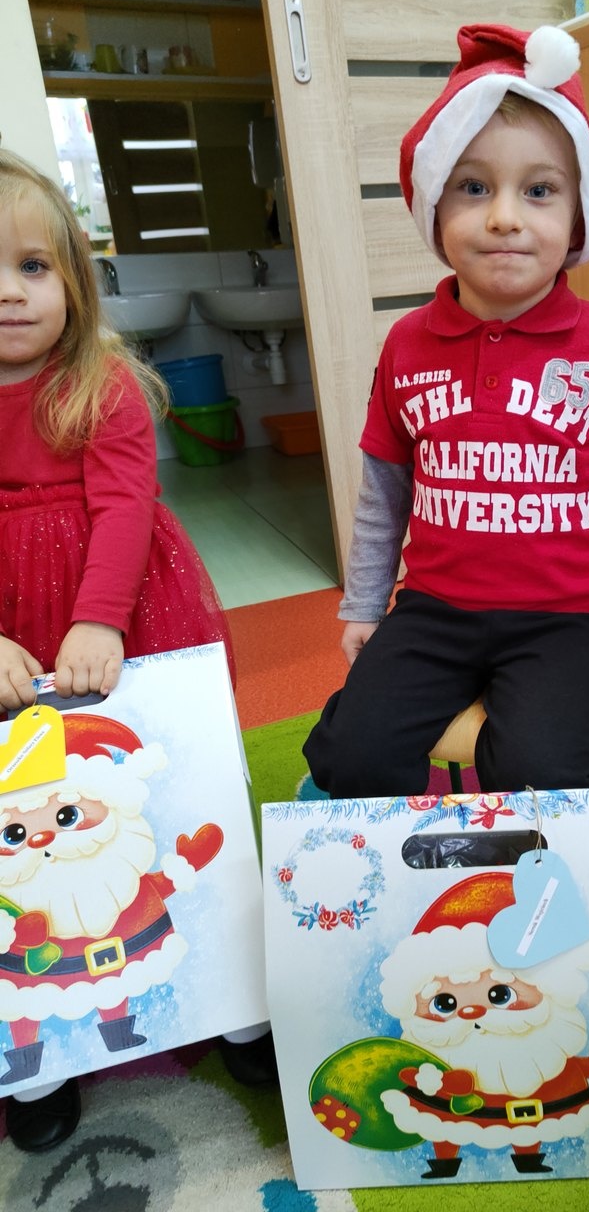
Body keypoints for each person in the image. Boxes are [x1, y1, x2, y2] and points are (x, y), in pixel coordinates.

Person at [303, 23, 589, 799]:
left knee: (537, 772)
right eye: (474, 188)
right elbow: (385, 490)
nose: (505, 217)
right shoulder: (407, 344)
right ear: (432, 204)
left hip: (571, 619)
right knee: (349, 756)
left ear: (578, 215)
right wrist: (365, 604)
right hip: (435, 611)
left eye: (539, 190)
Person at [0, 148, 273, 1153]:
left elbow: (125, 503)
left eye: (32, 266)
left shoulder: (103, 381)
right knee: (27, 826)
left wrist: (101, 615)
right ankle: (34, 1052)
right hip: (10, 629)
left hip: (128, 610)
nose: (9, 291)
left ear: (74, 278)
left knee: (175, 793)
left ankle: (242, 1003)